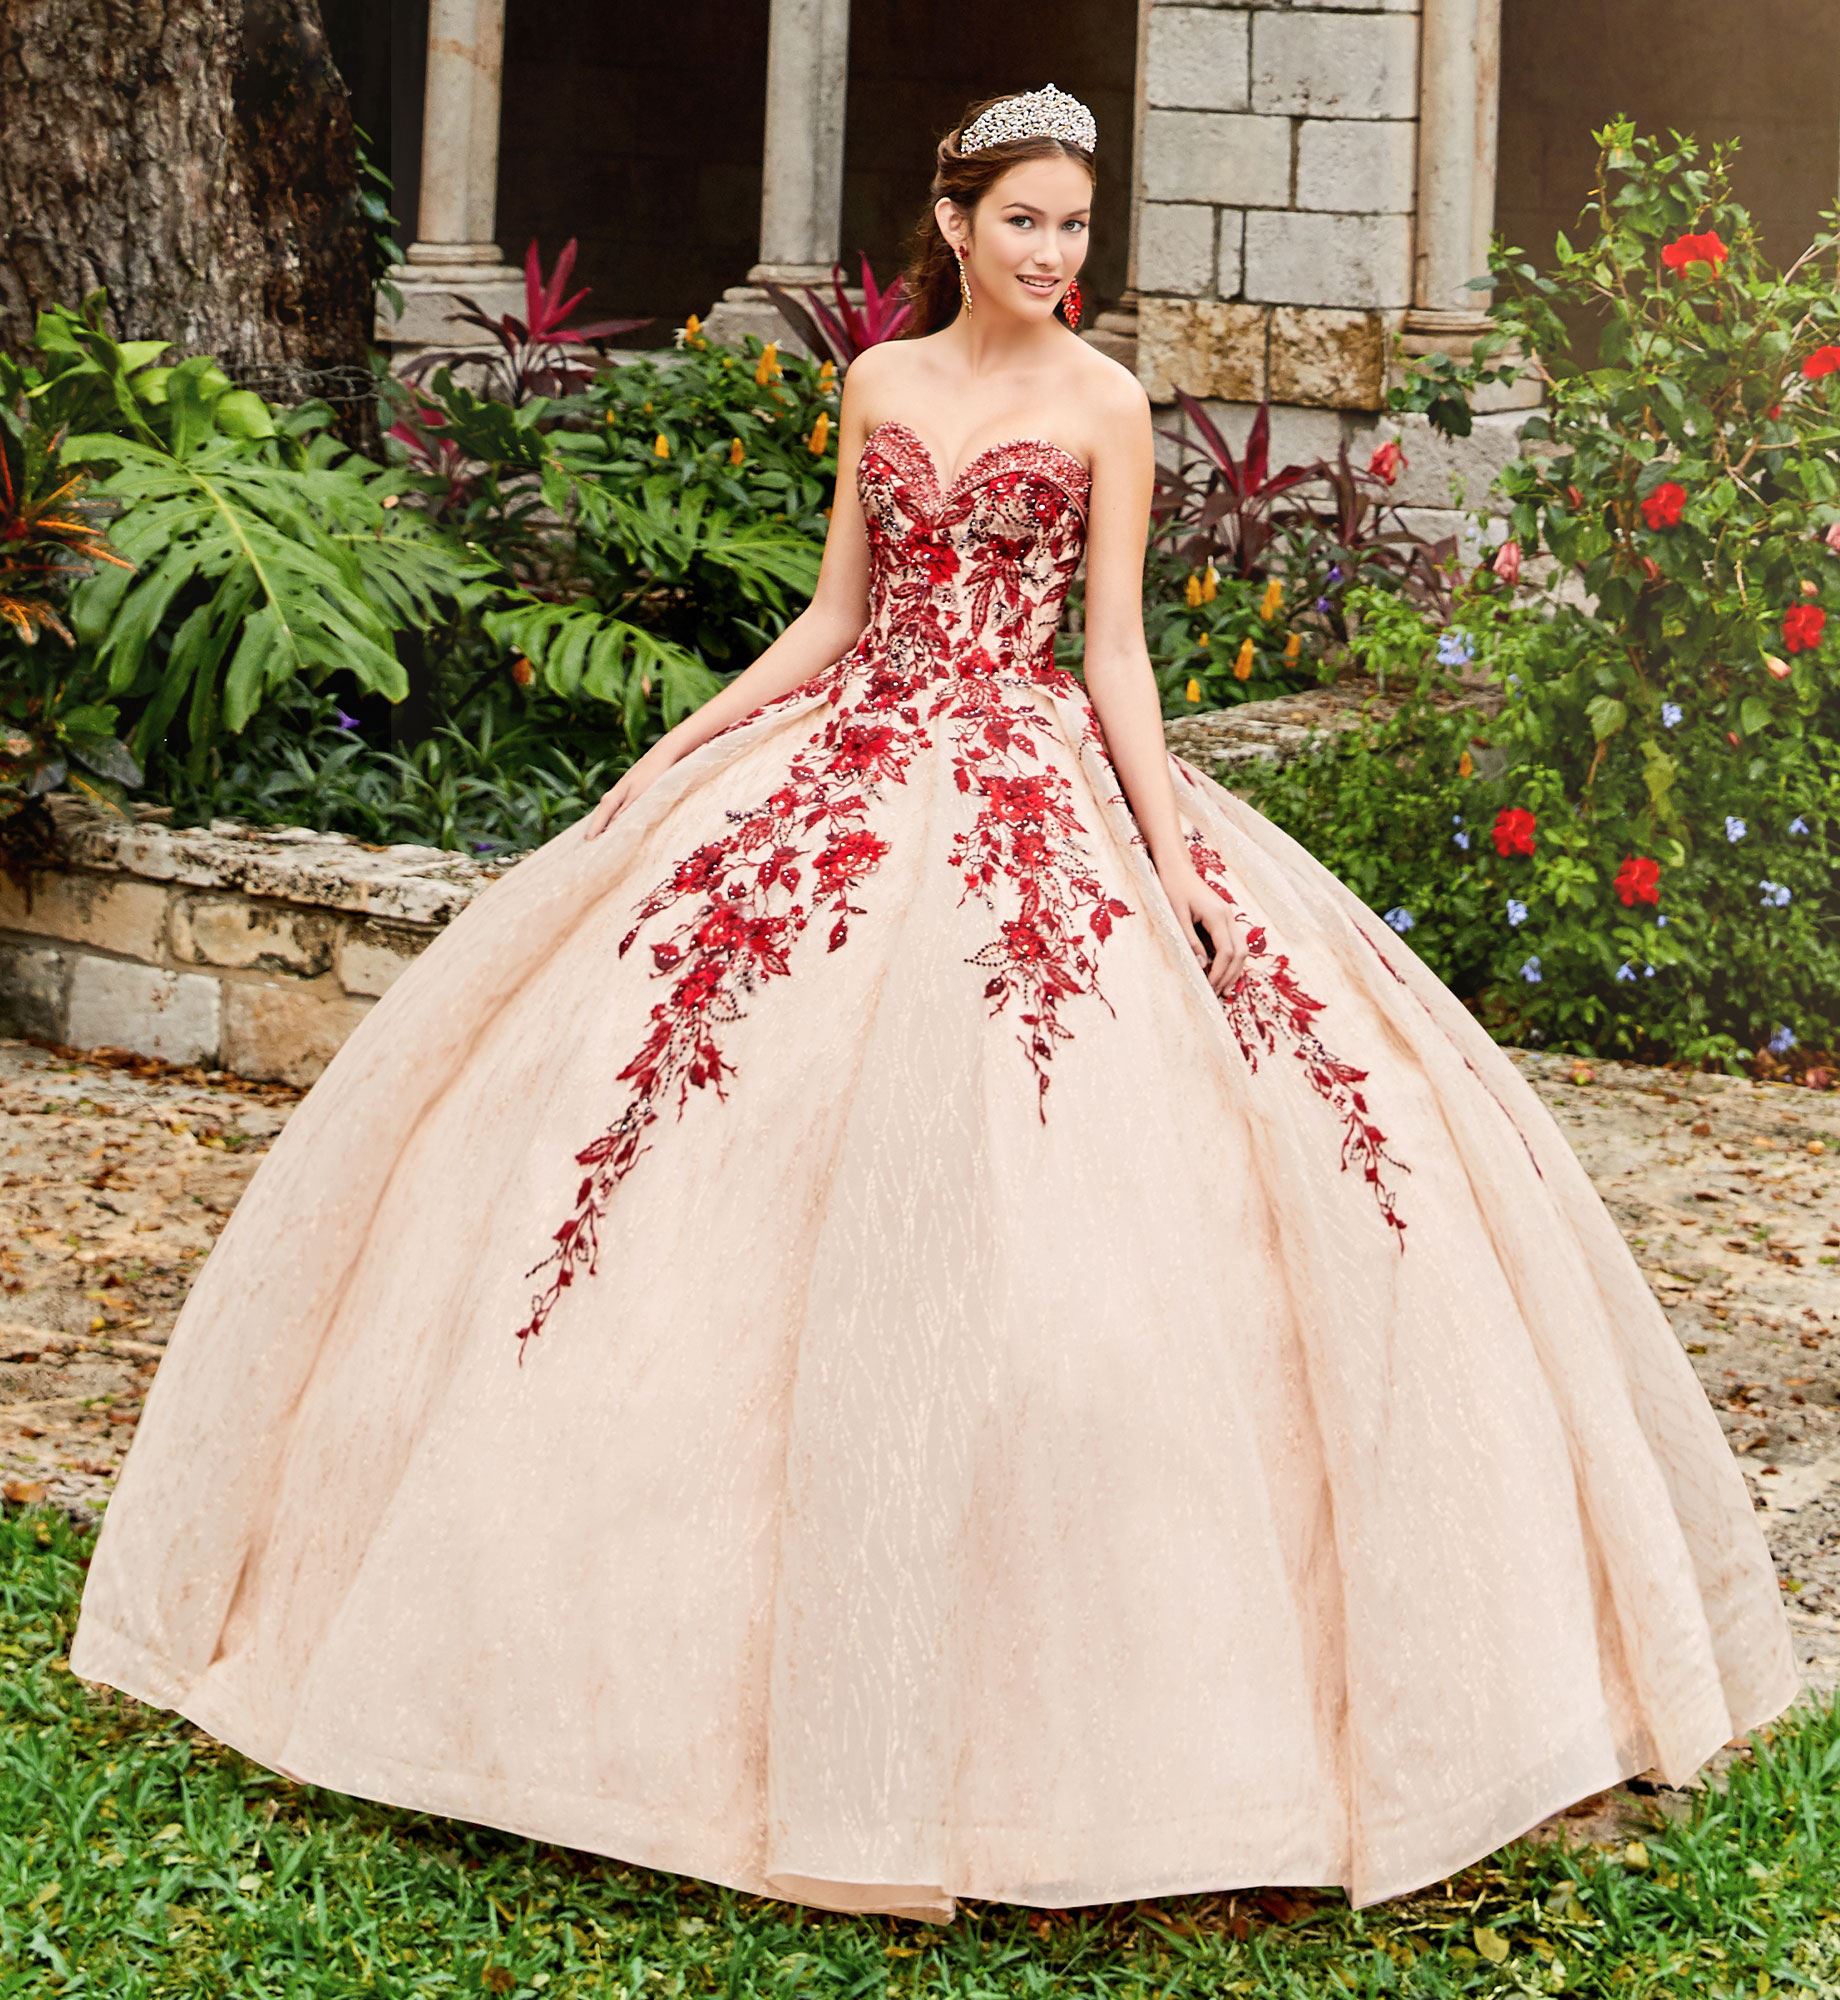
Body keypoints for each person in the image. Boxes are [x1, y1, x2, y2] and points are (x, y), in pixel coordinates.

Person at [69, 84, 1800, 1925]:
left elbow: (1111, 650)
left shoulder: (1108, 405)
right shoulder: (879, 387)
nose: (1060, 256)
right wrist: (681, 748)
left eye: (1080, 227)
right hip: (850, 762)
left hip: (1034, 787)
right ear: (955, 223)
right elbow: (833, 615)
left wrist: (1184, 865)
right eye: (1030, 221)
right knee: (674, 1138)